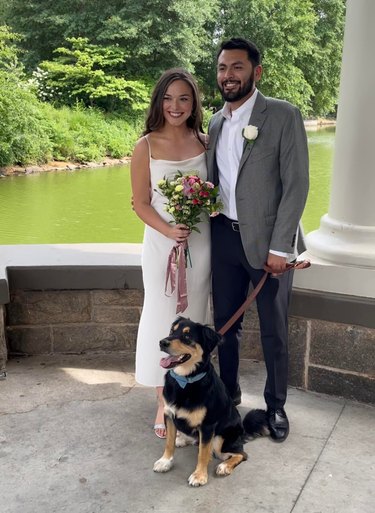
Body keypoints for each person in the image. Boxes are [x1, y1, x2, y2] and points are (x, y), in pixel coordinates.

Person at [206, 38, 309, 442]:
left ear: (256, 72)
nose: (228, 75)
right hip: (223, 240)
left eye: (236, 67)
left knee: (273, 330)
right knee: (224, 327)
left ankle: (276, 406)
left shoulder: (282, 115)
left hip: (269, 246)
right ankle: (228, 395)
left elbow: (297, 185)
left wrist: (282, 247)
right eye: (222, 68)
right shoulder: (215, 123)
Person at [131, 68, 211, 439]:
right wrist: (168, 230)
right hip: (162, 244)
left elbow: (217, 196)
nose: (175, 106)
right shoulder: (144, 146)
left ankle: (193, 393)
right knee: (161, 315)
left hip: (199, 242)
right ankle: (164, 400)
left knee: (194, 315)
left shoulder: (205, 142)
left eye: (183, 98)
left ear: (193, 102)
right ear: (158, 101)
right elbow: (140, 203)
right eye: (168, 98)